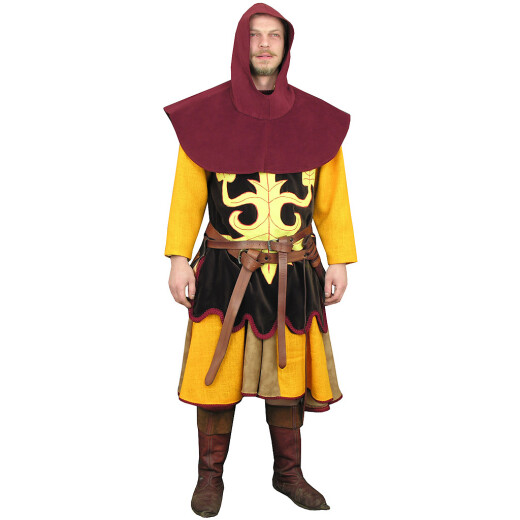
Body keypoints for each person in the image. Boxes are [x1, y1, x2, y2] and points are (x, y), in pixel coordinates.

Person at [163, 3, 357, 517]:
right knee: (215, 373)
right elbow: (187, 195)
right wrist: (178, 257)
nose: (265, 44)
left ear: (286, 46)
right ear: (240, 43)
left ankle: (287, 474)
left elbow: (332, 198)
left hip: (295, 267)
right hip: (224, 269)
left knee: (287, 376)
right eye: (255, 35)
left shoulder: (318, 121)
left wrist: (340, 259)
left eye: (274, 35)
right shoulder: (204, 118)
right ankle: (210, 477)